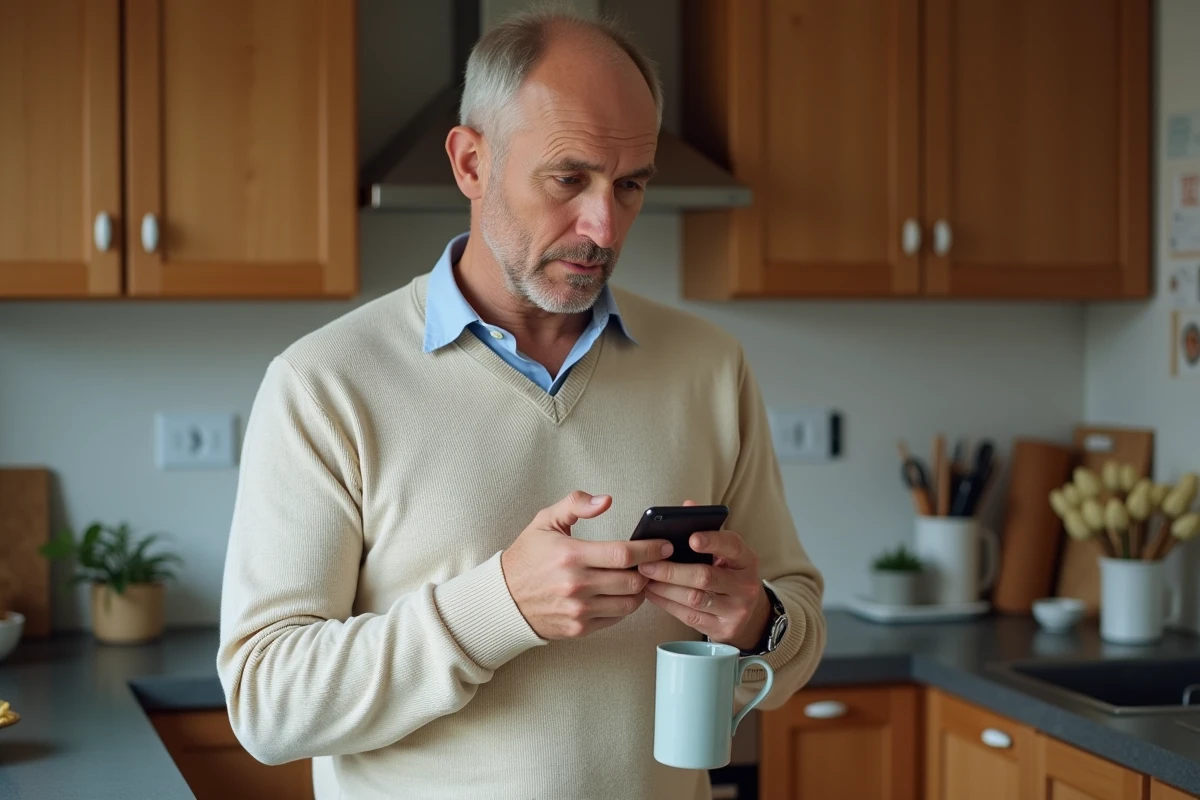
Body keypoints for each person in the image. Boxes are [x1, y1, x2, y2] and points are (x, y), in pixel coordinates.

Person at [217, 9, 826, 800]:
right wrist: (497, 607)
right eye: (568, 178)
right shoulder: (326, 383)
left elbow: (798, 630)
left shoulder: (710, 367)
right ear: (472, 163)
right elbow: (267, 706)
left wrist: (756, 622)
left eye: (631, 185)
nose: (603, 226)